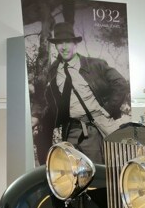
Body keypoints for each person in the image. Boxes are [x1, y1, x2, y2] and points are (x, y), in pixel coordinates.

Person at [39, 22, 130, 164]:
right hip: (70, 130)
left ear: (75, 43)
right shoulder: (54, 70)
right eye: (59, 43)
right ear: (55, 46)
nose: (64, 47)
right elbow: (50, 99)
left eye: (68, 42)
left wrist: (109, 109)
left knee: (95, 171)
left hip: (92, 127)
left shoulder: (94, 65)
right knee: (73, 173)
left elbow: (120, 83)